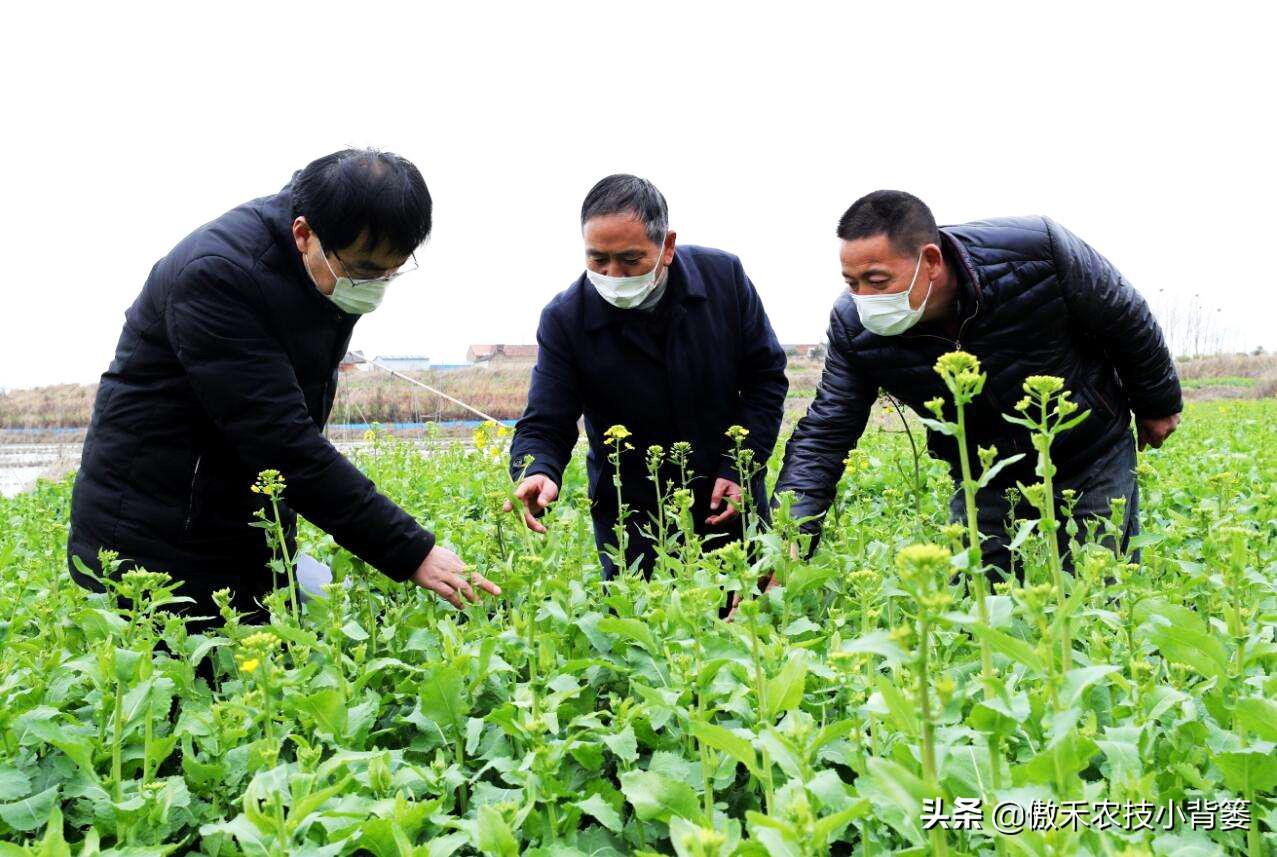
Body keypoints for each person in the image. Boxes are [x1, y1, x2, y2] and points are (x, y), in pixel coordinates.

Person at [68, 148, 500, 625]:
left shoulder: (319, 271)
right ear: (303, 234)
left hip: (243, 523)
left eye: (391, 270)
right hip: (155, 541)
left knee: (278, 666)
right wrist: (410, 550)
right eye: (364, 268)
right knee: (198, 685)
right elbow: (281, 443)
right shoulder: (219, 275)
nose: (376, 284)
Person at [771, 190, 1182, 582]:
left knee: (1098, 587)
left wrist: (1156, 401)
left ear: (929, 260)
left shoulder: (1037, 250)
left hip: (1088, 449)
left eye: (877, 281)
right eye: (851, 283)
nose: (864, 298)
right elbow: (826, 432)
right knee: (979, 600)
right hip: (983, 474)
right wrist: (788, 538)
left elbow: (1124, 316)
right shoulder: (853, 326)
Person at [507, 174, 788, 578]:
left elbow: (766, 379)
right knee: (642, 627)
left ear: (667, 247)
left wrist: (739, 467)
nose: (613, 275)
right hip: (633, 518)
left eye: (630, 259)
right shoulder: (566, 318)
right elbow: (545, 420)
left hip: (725, 499)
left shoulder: (723, 279)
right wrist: (536, 470)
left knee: (744, 619)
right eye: (598, 260)